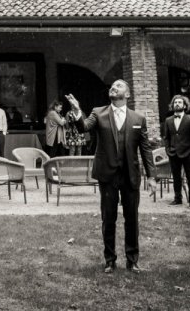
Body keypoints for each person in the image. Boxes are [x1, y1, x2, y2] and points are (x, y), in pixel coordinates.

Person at [66, 80, 157, 274]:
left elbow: (145, 149)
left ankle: (132, 260)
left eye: (119, 86)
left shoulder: (138, 118)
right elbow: (83, 127)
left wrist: (151, 176)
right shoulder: (98, 113)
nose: (114, 87)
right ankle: (110, 260)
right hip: (107, 175)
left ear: (128, 94)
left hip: (130, 175)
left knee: (131, 219)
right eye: (113, 86)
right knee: (109, 219)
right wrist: (76, 110)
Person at [162, 95, 190, 208]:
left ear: (184, 105)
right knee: (176, 178)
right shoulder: (168, 120)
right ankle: (177, 199)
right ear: (172, 106)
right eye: (175, 102)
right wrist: (168, 150)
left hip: (187, 154)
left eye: (180, 102)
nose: (177, 104)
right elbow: (166, 137)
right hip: (173, 153)